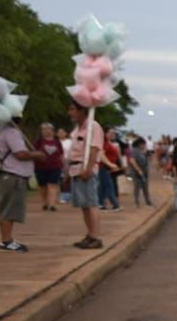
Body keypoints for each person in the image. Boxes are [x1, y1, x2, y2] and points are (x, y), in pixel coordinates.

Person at [0, 114, 40, 251]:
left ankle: (6, 240)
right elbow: (21, 154)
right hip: (12, 175)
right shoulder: (11, 132)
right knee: (9, 209)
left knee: (5, 209)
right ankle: (6, 241)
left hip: (5, 175)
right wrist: (38, 154)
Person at [64, 103, 104, 249]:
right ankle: (90, 234)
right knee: (84, 205)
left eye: (72, 109)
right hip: (75, 170)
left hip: (86, 169)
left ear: (82, 111)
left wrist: (88, 169)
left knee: (91, 204)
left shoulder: (93, 126)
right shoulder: (77, 129)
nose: (70, 113)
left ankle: (96, 237)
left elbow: (95, 149)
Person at [34, 123, 63, 211]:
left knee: (52, 184)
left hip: (55, 167)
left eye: (48, 129)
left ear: (52, 131)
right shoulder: (39, 142)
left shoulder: (57, 142)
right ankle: (45, 202)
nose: (46, 131)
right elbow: (33, 152)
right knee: (43, 186)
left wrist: (63, 165)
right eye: (44, 129)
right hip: (40, 167)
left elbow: (61, 154)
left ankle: (52, 204)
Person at [98, 128, 123, 211]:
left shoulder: (109, 143)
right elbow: (101, 155)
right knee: (109, 185)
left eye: (114, 133)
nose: (113, 134)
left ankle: (100, 203)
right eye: (111, 133)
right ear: (106, 133)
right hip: (103, 167)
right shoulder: (104, 143)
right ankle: (115, 204)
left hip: (107, 167)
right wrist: (110, 164)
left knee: (103, 186)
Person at [127, 136, 152, 207]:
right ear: (139, 144)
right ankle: (136, 202)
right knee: (137, 187)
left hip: (144, 171)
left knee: (145, 186)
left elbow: (146, 160)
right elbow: (132, 160)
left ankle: (147, 201)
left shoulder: (142, 151)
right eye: (144, 144)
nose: (145, 146)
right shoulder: (135, 151)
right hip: (137, 172)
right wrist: (138, 170)